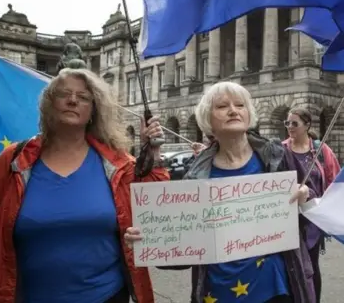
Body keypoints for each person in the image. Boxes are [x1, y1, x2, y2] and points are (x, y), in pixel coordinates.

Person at [0, 68, 169, 303]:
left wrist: (153, 154)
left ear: (93, 110)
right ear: (50, 103)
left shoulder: (118, 164)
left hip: (106, 296)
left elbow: (156, 210)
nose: (72, 100)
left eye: (83, 97)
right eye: (64, 94)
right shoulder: (15, 160)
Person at [125, 81, 317, 303]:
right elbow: (182, 252)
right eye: (222, 106)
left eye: (240, 105)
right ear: (208, 119)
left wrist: (305, 197)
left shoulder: (277, 156)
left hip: (276, 290)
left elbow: (310, 210)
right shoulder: (196, 176)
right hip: (218, 292)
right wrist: (148, 239)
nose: (233, 110)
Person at [282, 107, 341, 303]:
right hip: (288, 219)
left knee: (311, 267)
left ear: (307, 125)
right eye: (287, 123)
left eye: (294, 123)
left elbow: (335, 180)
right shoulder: (281, 149)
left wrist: (329, 208)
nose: (290, 127)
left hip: (312, 220)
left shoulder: (322, 150)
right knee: (291, 266)